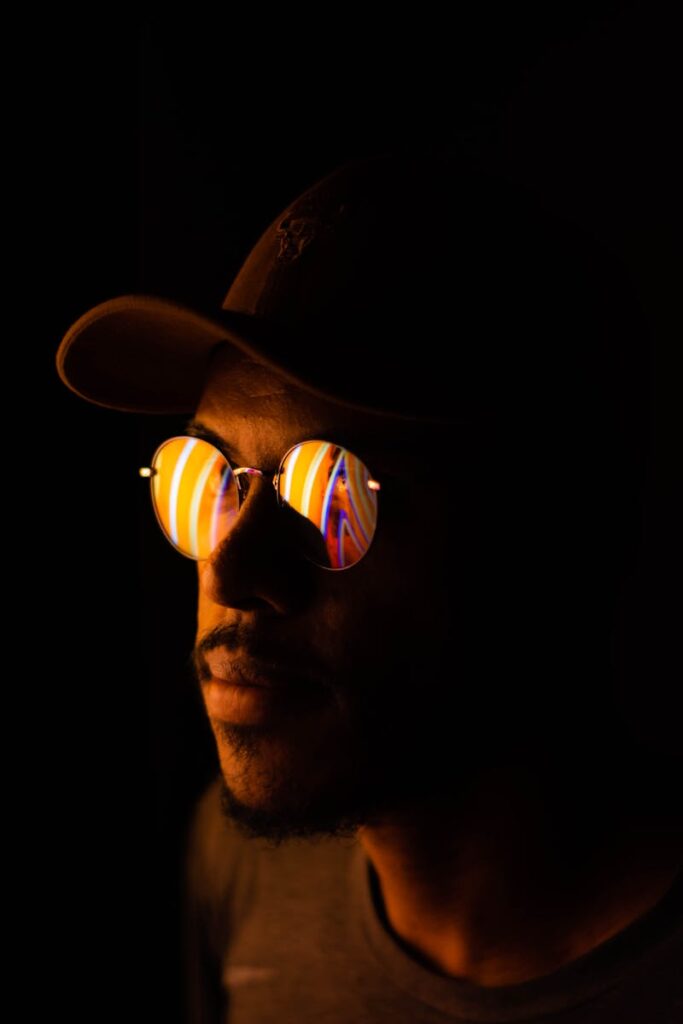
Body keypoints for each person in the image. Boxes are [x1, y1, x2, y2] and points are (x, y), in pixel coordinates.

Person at [55, 153, 682, 1023]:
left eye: (332, 495)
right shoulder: (243, 868)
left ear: (549, 538)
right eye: (206, 476)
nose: (232, 575)